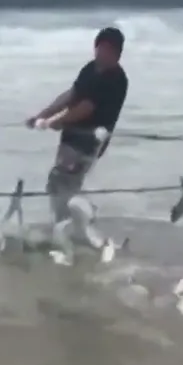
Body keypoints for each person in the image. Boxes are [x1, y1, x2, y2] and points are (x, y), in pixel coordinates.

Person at [25, 27, 130, 221]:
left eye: (108, 50)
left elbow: (86, 107)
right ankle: (71, 223)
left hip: (89, 142)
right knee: (59, 183)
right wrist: (43, 115)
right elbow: (72, 94)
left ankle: (73, 223)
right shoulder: (90, 68)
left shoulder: (116, 79)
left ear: (118, 53)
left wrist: (55, 121)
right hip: (71, 137)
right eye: (100, 47)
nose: (102, 53)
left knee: (63, 182)